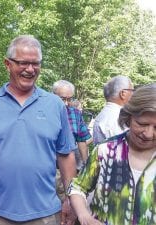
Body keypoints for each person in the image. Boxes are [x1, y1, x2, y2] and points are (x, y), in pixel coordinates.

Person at [0, 35, 77, 225]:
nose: (30, 69)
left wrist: (70, 199)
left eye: (36, 64)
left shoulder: (55, 105)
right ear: (7, 64)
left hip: (46, 214)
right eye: (23, 63)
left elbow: (66, 155)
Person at [67, 83, 156, 225]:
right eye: (142, 124)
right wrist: (84, 215)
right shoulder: (106, 150)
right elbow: (78, 187)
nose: (148, 134)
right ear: (128, 117)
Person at [52, 80, 92, 165]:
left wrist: (86, 166)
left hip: (68, 163)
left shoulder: (76, 114)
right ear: (53, 95)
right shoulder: (43, 113)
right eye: (62, 99)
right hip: (48, 164)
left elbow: (82, 141)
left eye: (69, 99)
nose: (66, 103)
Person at [93, 75, 134, 145]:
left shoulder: (104, 115)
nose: (133, 94)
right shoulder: (117, 118)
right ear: (123, 94)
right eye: (132, 90)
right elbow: (124, 148)